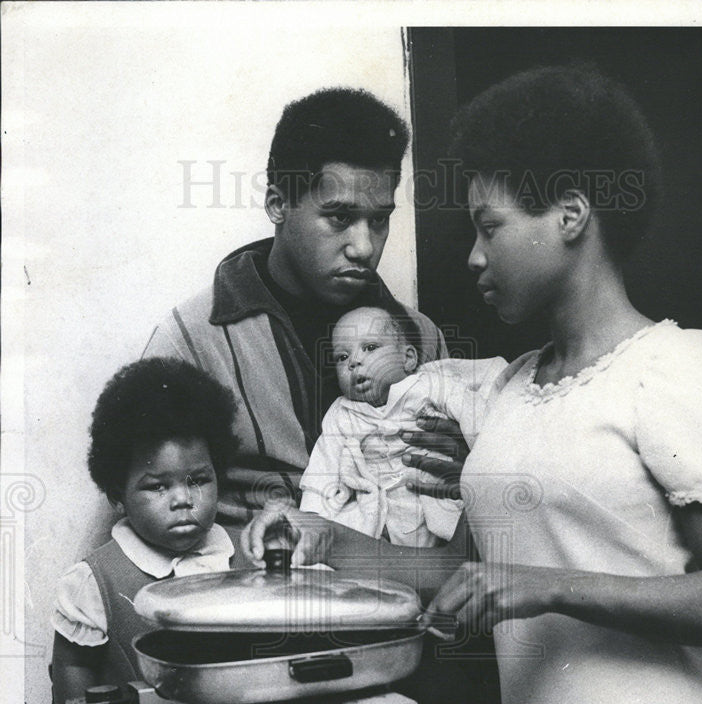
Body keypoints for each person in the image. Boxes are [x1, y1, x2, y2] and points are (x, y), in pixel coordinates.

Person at [243, 64, 702, 704]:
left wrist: (542, 586)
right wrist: (323, 535)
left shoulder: (679, 372)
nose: (473, 259)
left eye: (489, 229)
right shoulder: (508, 391)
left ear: (571, 215)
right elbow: (463, 579)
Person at [141, 87, 464, 529]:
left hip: (398, 584)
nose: (364, 246)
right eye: (339, 218)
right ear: (278, 204)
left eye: (380, 219)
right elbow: (147, 502)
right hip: (252, 583)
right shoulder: (193, 339)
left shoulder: (421, 337)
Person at [51, 357, 241, 704]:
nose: (183, 500)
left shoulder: (241, 555)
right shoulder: (97, 578)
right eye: (158, 486)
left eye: (198, 480)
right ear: (118, 496)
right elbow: (70, 667)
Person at [299, 303, 507, 545]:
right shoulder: (341, 412)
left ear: (408, 358)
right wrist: (310, 518)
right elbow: (322, 467)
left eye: (370, 348)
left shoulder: (431, 386)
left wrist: (489, 468)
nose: (354, 362)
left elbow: (477, 421)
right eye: (342, 357)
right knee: (347, 541)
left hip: (436, 507)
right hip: (376, 517)